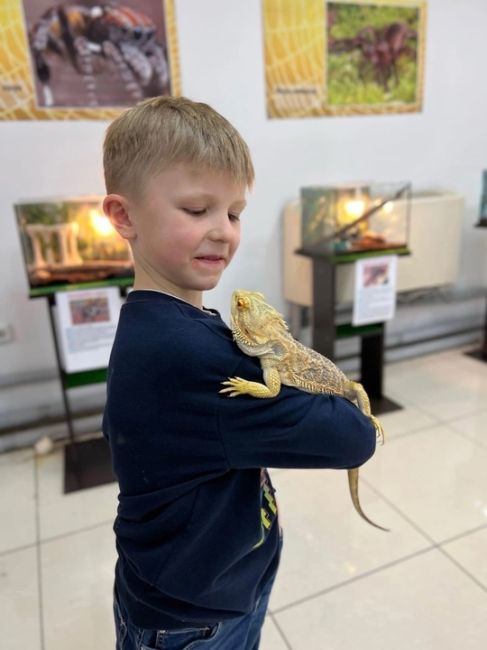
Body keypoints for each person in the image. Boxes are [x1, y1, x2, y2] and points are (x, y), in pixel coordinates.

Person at [102, 95, 376, 650]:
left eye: (234, 213)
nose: (223, 231)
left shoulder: (163, 320)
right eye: (197, 209)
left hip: (206, 576)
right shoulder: (192, 357)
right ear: (123, 215)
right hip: (194, 617)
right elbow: (354, 437)